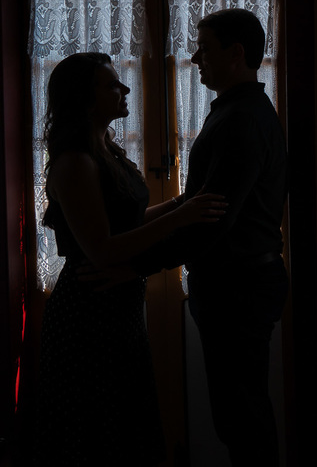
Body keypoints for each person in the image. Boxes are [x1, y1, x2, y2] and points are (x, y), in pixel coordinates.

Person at [22, 52, 226, 466]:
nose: (126, 89)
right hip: (89, 311)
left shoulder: (105, 152)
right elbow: (103, 249)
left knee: (124, 418)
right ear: (84, 97)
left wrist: (179, 205)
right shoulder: (74, 163)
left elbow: (125, 222)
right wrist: (181, 218)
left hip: (118, 305)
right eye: (112, 84)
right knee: (99, 429)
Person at [133, 8, 289, 467]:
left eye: (205, 47)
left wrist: (134, 263)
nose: (195, 57)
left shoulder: (241, 119)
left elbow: (212, 218)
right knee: (241, 415)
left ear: (236, 53)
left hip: (237, 289)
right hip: (239, 284)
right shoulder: (240, 112)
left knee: (241, 419)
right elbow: (201, 201)